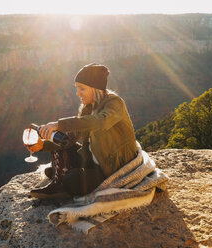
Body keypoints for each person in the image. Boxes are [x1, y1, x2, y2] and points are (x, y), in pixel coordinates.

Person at [27, 63, 138, 199]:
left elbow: (100, 121)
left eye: (82, 89)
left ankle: (63, 179)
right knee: (60, 141)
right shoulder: (87, 107)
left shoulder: (114, 103)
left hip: (111, 166)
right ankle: (60, 179)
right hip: (92, 159)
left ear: (95, 88)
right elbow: (70, 139)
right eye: (77, 88)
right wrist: (43, 145)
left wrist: (59, 124)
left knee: (71, 179)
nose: (77, 93)